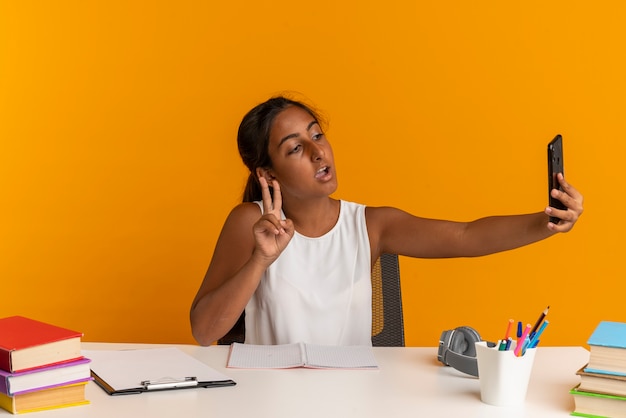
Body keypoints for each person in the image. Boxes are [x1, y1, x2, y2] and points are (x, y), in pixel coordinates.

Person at [190, 95, 583, 347]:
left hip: (354, 399)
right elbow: (205, 332)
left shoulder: (370, 225)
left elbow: (465, 236)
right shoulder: (250, 222)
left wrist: (550, 220)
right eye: (295, 147)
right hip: (271, 402)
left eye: (317, 135)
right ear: (269, 176)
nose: (317, 152)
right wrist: (260, 260)